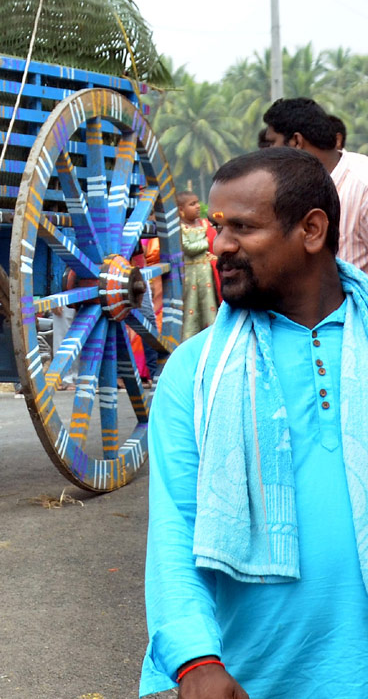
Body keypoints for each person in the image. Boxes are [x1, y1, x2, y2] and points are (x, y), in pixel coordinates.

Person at [141, 147, 368, 698]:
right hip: (251, 681)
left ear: (312, 230)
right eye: (218, 227)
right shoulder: (194, 373)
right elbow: (175, 528)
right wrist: (195, 661)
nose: (220, 246)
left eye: (243, 227)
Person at [262, 97, 368, 273]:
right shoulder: (293, 187)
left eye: (272, 143)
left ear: (296, 142)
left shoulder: (362, 186)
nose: (267, 152)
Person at [177, 190, 219, 340]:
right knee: (191, 307)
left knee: (210, 304)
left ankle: (213, 337)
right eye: (192, 204)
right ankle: (189, 340)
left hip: (207, 273)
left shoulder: (204, 224)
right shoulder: (180, 228)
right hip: (190, 273)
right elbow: (188, 247)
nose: (197, 206)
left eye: (197, 203)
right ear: (181, 210)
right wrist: (207, 242)